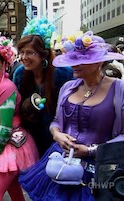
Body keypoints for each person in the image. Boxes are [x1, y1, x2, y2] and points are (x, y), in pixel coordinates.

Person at [19, 30, 124, 201]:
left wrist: (90, 150)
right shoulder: (68, 87)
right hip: (60, 161)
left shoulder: (119, 89)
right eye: (73, 58)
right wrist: (57, 134)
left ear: (99, 62)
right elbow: (56, 121)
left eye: (82, 60)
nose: (74, 64)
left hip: (98, 169)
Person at [0, 36, 38, 201]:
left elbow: (5, 128)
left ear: (4, 65)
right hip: (5, 143)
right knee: (15, 193)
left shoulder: (5, 87)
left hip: (11, 145)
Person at [13, 17, 74, 157]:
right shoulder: (19, 74)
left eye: (29, 53)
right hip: (29, 137)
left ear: (43, 55)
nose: (23, 57)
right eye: (21, 52)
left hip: (58, 137)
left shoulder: (62, 73)